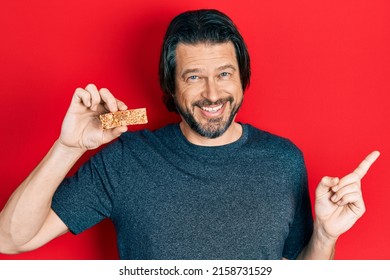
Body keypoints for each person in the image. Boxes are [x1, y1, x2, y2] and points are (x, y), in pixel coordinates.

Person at [0, 9, 379, 259]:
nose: (213, 94)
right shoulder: (125, 159)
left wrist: (326, 236)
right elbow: (11, 239)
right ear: (171, 86)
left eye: (225, 74)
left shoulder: (284, 160)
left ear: (243, 79)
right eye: (194, 77)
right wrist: (67, 147)